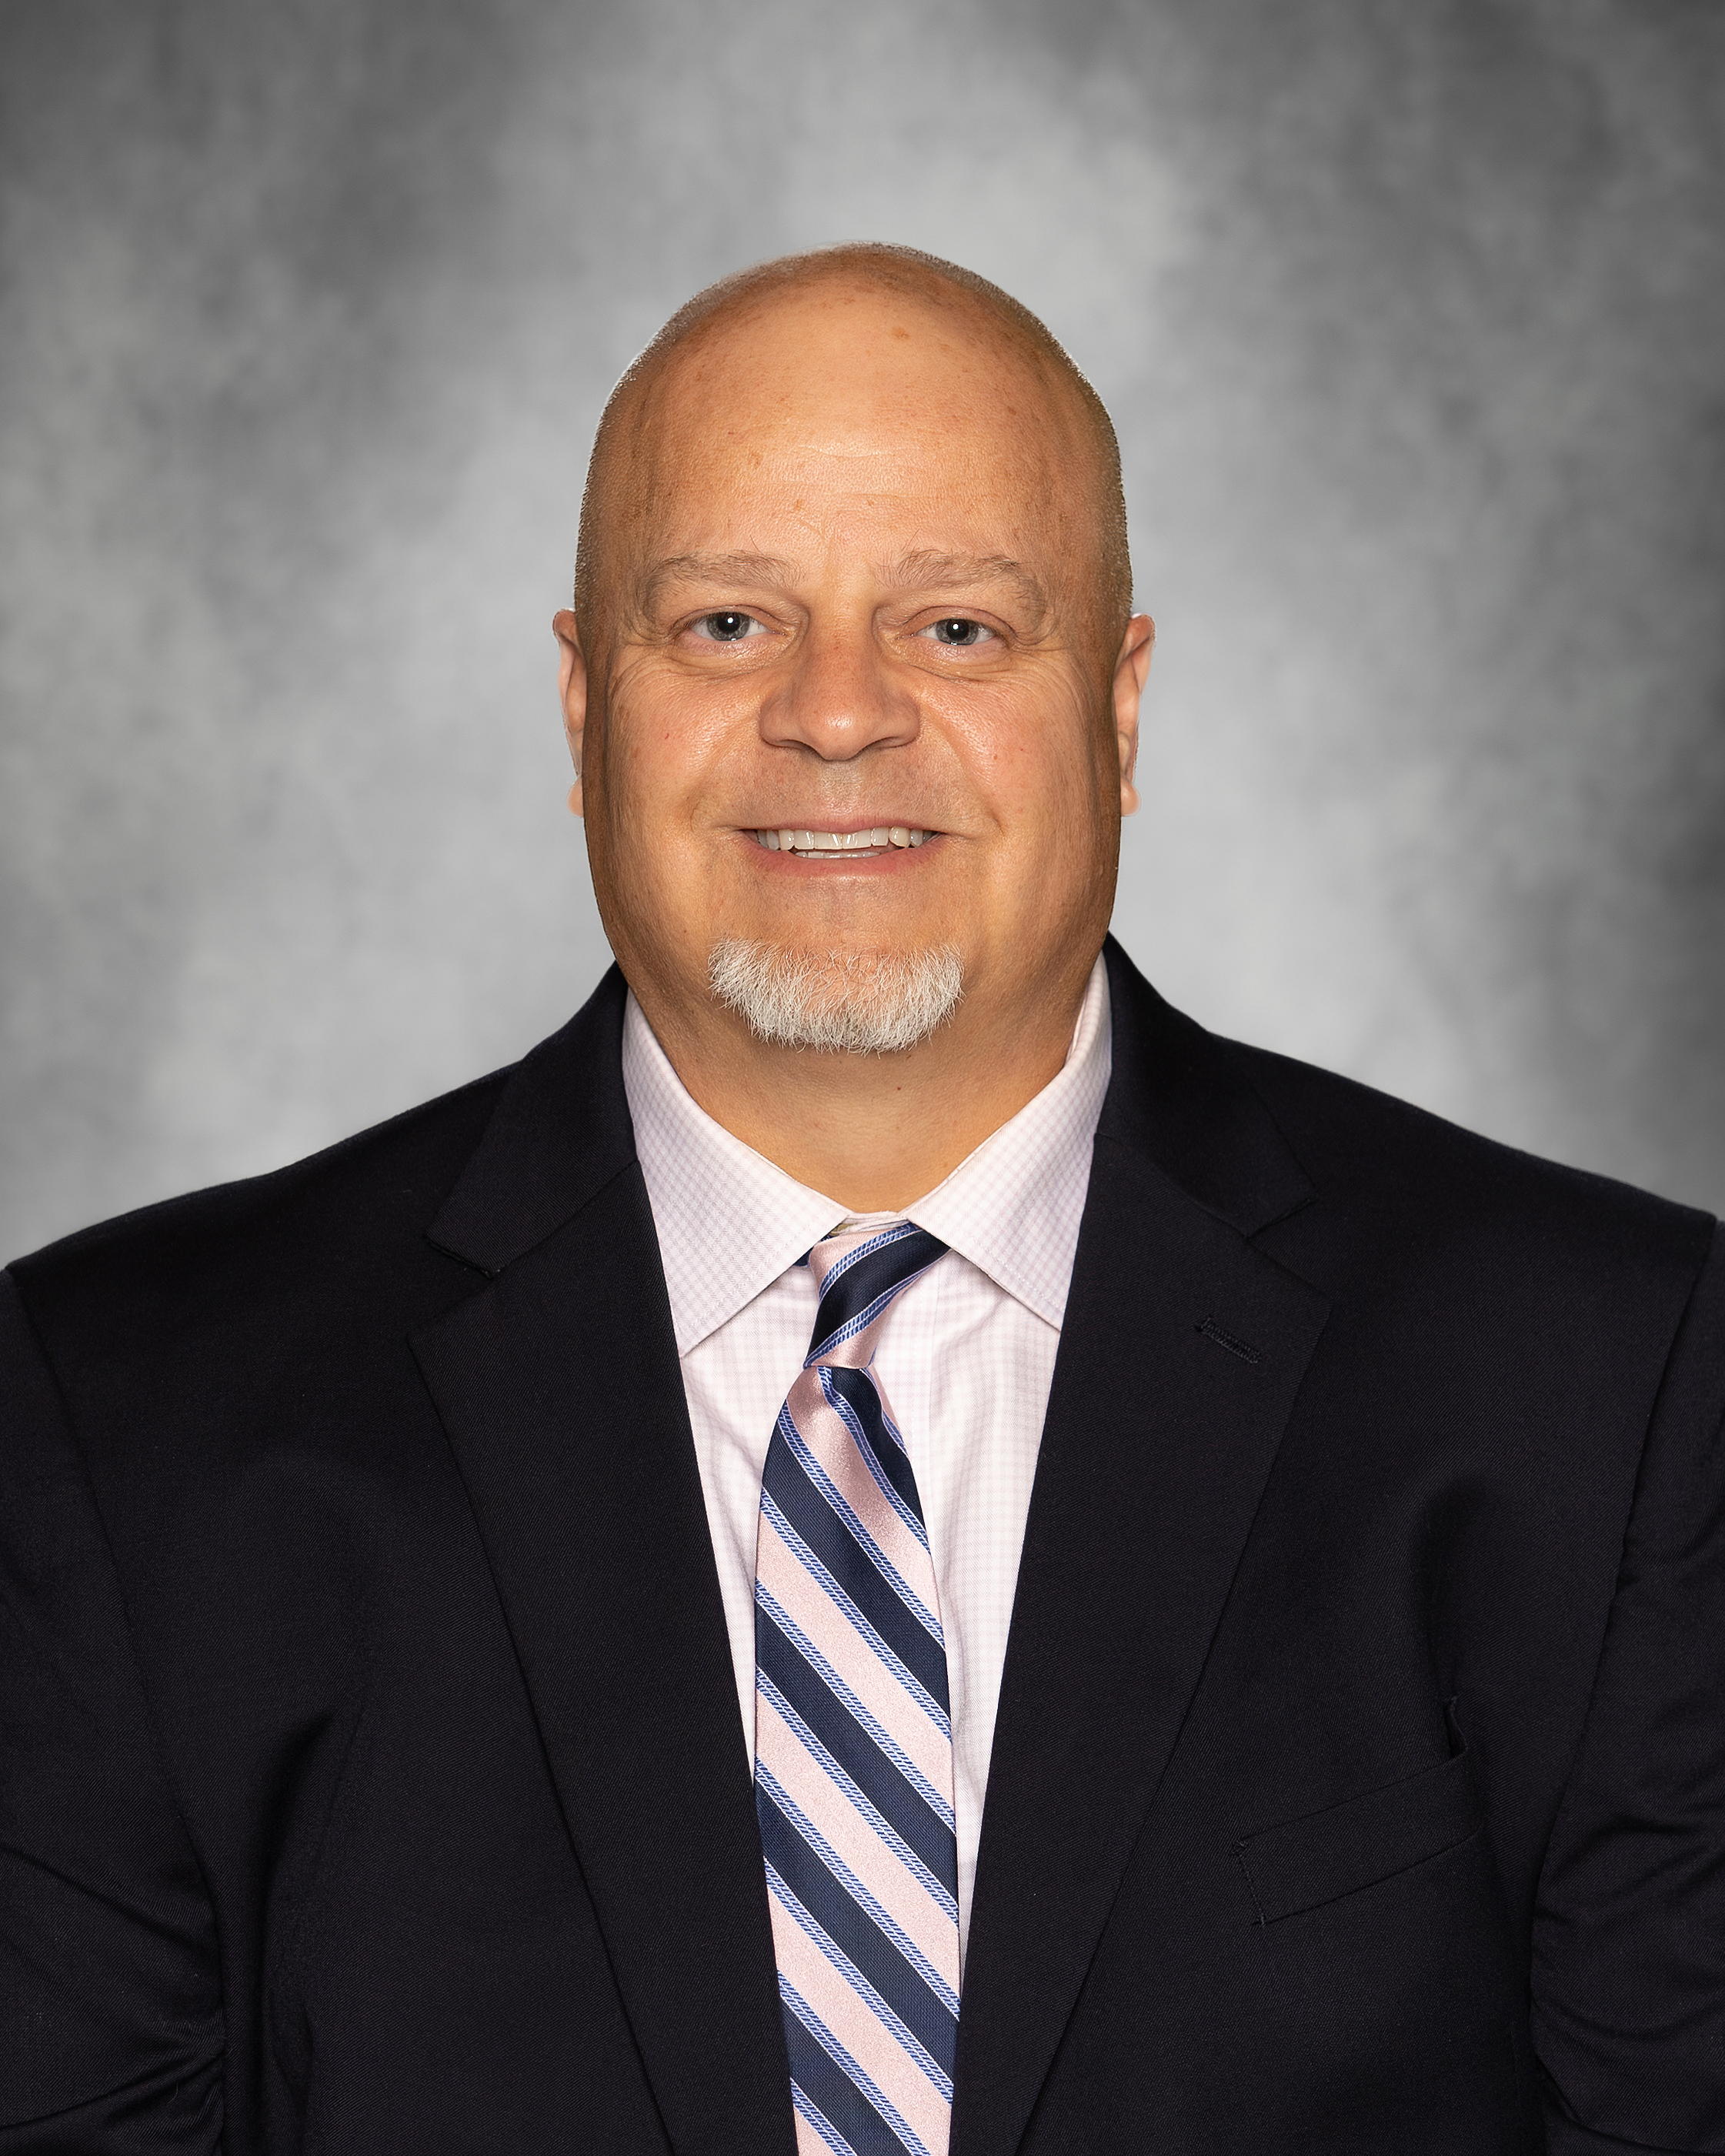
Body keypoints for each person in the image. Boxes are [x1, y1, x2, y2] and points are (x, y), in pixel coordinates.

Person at [2, 243, 1721, 2156]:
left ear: (1119, 709)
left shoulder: (1604, 1386)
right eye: (726, 622)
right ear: (581, 708)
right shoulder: (118, 1418)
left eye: (958, 628)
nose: (835, 714)